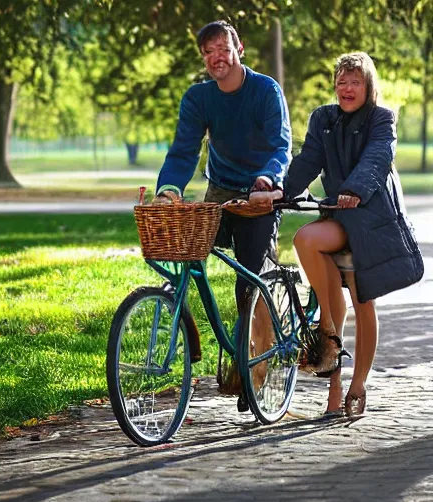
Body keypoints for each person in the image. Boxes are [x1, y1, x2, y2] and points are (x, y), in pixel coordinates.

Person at [153, 20, 290, 411]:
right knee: (185, 258)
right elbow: (183, 151)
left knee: (250, 280)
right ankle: (194, 332)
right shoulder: (198, 99)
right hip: (221, 189)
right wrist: (169, 190)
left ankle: (255, 370)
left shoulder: (265, 90)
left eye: (223, 48)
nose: (217, 57)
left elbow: (281, 145)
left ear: (239, 49)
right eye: (208, 51)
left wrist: (267, 178)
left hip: (260, 192)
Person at [283, 52, 423, 417]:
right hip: (340, 215)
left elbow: (377, 157)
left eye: (355, 82)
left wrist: (356, 189)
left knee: (363, 302)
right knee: (306, 240)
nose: (347, 89)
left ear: (368, 86)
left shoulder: (382, 119)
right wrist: (280, 191)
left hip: (373, 219)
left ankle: (358, 384)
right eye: (341, 82)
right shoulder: (323, 119)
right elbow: (308, 160)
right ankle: (328, 331)